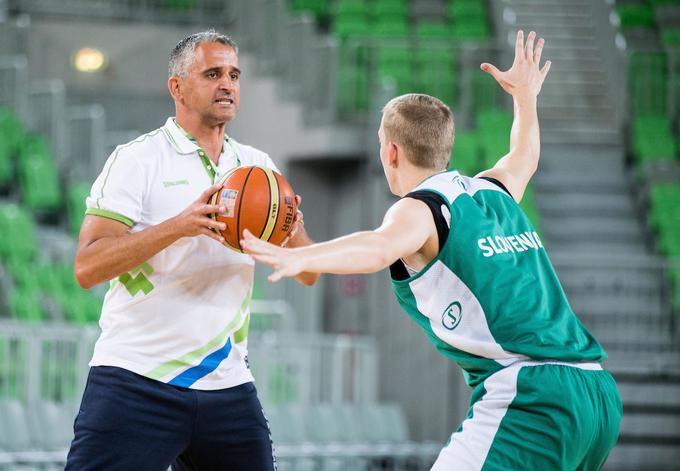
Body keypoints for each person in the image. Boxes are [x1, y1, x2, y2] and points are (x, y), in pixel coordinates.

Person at [242, 31, 622, 470]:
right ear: (445, 147)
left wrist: (303, 256)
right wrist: (525, 97)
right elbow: (525, 154)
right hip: (596, 395)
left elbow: (380, 246)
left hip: (532, 394)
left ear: (391, 151)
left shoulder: (422, 209)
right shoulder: (491, 191)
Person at [67, 30, 318, 470]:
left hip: (228, 383)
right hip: (136, 379)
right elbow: (87, 266)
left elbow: (309, 271)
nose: (228, 84)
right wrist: (179, 227)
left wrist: (290, 232)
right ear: (177, 87)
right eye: (213, 73)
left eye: (235, 75)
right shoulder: (137, 159)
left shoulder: (259, 169)